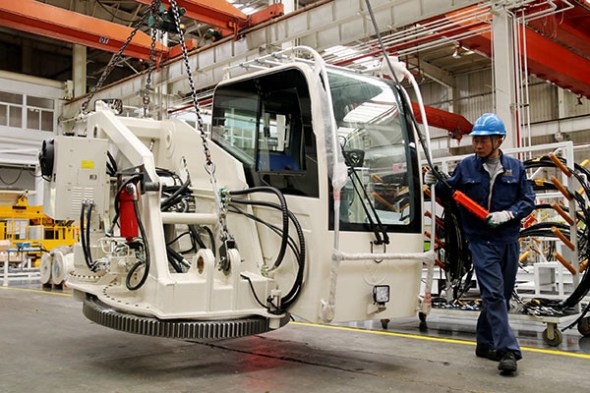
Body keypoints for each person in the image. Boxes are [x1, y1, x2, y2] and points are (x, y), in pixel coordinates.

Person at [425, 113, 535, 374]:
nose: (477, 145)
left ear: (498, 140)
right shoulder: (466, 167)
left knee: (503, 295)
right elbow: (449, 193)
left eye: (483, 140)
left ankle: (484, 342)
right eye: (476, 140)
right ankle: (508, 349)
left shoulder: (516, 168)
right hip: (480, 240)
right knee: (494, 294)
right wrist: (435, 183)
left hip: (508, 239)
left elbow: (527, 200)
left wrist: (508, 214)